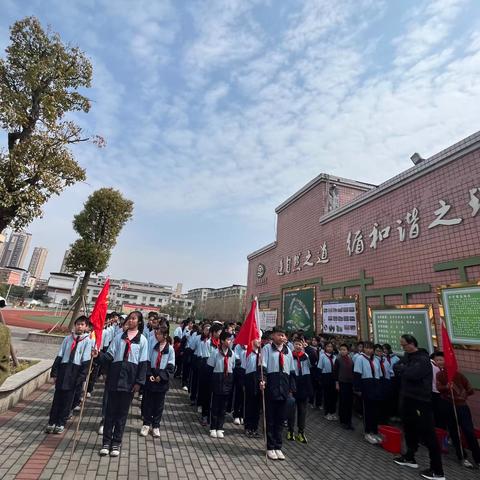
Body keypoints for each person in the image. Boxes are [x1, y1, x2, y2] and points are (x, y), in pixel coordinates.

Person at [94, 311, 148, 457]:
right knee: (110, 412)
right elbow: (109, 356)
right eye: (129, 318)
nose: (130, 321)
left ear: (139, 322)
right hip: (115, 378)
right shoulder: (119, 337)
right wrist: (98, 355)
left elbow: (143, 364)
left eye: (133, 319)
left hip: (130, 381)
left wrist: (139, 382)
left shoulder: (142, 340)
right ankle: (106, 442)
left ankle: (116, 442)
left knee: (122, 414)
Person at [393, 334, 444, 480]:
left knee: (428, 433)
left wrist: (404, 369)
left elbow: (412, 374)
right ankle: (410, 457)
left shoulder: (422, 359)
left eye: (404, 345)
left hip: (420, 400)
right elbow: (396, 367)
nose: (402, 347)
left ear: (411, 344)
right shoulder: (407, 357)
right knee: (409, 428)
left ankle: (437, 470)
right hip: (407, 398)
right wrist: (403, 369)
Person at [45, 316, 92, 434]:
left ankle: (61, 422)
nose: (79, 326)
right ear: (75, 325)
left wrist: (81, 377)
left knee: (67, 400)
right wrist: (55, 373)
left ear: (86, 327)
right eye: (78, 324)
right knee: (57, 398)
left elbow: (86, 361)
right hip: (64, 370)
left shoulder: (87, 341)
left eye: (82, 324)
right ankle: (52, 421)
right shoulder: (67, 339)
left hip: (75, 372)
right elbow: (60, 355)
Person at [435, 352, 480, 469]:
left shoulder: (459, 375)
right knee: (454, 432)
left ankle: (478, 458)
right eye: (437, 360)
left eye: (441, 359)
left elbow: (470, 389)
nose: (439, 362)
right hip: (448, 406)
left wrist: (462, 396)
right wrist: (446, 388)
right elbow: (439, 388)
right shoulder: (440, 375)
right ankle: (462, 457)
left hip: (462, 407)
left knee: (469, 431)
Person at [261, 326, 296, 461]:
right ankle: (270, 447)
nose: (282, 337)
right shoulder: (267, 349)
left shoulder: (288, 352)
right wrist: (263, 380)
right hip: (272, 387)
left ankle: (278, 446)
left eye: (283, 335)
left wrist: (292, 389)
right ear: (273, 336)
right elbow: (263, 367)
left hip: (284, 388)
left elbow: (292, 372)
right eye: (279, 335)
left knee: (281, 419)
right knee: (270, 419)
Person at [140, 326, 175, 438]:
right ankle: (146, 424)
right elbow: (148, 361)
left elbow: (171, 366)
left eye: (159, 334)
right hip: (152, 378)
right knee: (148, 403)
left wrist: (162, 376)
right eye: (156, 334)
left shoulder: (170, 349)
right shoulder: (153, 347)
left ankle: (156, 426)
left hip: (162, 380)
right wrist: (149, 375)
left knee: (159, 405)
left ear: (165, 335)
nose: (157, 336)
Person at [207, 331, 236, 439]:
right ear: (222, 340)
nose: (230, 342)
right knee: (215, 406)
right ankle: (213, 427)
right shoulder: (215, 352)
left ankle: (220, 427)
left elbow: (232, 368)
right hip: (217, 380)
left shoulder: (232, 354)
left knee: (223, 407)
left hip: (227, 381)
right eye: (228, 339)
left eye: (231, 339)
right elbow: (210, 368)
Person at [353, 341, 381, 444]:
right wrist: (358, 388)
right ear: (363, 349)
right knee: (367, 410)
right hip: (366, 385)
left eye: (371, 348)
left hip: (375, 385)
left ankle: (374, 431)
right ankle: (368, 432)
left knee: (375, 410)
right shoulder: (360, 359)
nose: (369, 350)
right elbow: (357, 374)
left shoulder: (376, 360)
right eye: (367, 348)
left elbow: (379, 374)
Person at [287, 339, 312, 443]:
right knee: (291, 411)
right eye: (296, 344)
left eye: (300, 344)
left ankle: (301, 432)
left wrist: (308, 349)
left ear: (303, 346)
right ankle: (290, 430)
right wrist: (289, 388)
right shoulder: (289, 355)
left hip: (303, 388)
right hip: (292, 386)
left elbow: (313, 363)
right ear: (293, 345)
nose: (298, 346)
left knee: (302, 411)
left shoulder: (306, 356)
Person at [243, 338, 262, 437]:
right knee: (249, 404)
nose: (259, 341)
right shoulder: (248, 352)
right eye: (257, 339)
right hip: (250, 379)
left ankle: (255, 427)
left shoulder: (262, 353)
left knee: (257, 406)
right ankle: (248, 426)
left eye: (260, 339)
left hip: (259, 380)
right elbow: (243, 368)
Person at [334, 343, 354, 430]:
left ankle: (349, 421)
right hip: (342, 383)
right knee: (343, 402)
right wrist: (337, 383)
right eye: (341, 349)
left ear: (348, 351)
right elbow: (335, 373)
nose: (342, 351)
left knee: (349, 403)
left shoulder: (351, 360)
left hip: (350, 383)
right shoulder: (338, 360)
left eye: (344, 350)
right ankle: (343, 420)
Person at [319, 341, 337, 420]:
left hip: (333, 377)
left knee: (334, 396)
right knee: (327, 396)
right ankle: (327, 413)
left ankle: (333, 412)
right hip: (326, 377)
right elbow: (319, 368)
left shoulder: (335, 357)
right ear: (325, 348)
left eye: (331, 347)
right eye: (328, 346)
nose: (329, 348)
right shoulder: (322, 356)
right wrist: (320, 379)